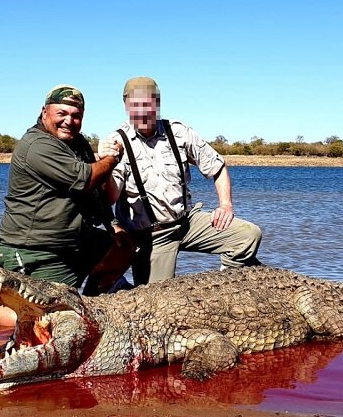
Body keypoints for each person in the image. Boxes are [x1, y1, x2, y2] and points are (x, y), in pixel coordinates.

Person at [0, 85, 134, 325]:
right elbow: (86, 180)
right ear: (44, 112)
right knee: (50, 323)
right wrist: (112, 159)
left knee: (123, 248)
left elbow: (95, 194)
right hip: (35, 249)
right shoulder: (36, 145)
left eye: (76, 115)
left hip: (72, 242)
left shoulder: (77, 143)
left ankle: (88, 311)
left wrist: (112, 225)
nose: (69, 121)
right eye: (62, 113)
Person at [102, 76, 261, 285]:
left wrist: (225, 205)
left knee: (248, 236)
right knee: (153, 305)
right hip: (151, 236)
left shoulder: (178, 131)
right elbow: (111, 197)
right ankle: (118, 286)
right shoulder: (116, 142)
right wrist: (107, 164)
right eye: (135, 105)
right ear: (126, 106)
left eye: (147, 104)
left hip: (187, 222)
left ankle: (226, 287)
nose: (141, 112)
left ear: (156, 104)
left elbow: (218, 166)